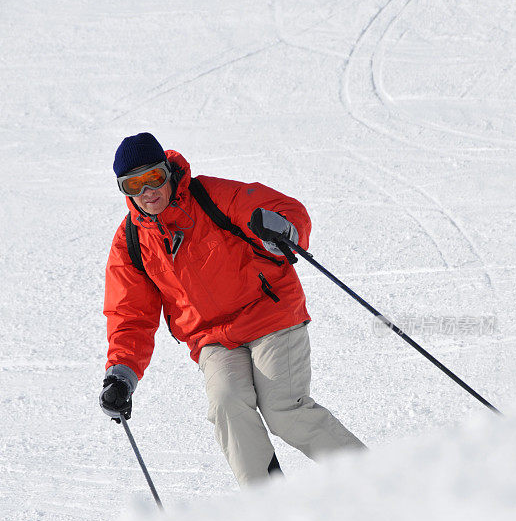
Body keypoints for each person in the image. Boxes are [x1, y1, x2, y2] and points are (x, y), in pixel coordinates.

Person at [100, 132, 365, 486]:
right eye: (135, 184)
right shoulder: (131, 242)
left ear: (168, 172)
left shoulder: (211, 197)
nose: (148, 192)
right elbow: (129, 315)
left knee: (284, 409)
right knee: (227, 404)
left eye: (154, 178)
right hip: (212, 338)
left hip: (269, 313)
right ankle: (271, 508)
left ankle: (376, 480)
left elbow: (286, 212)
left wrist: (281, 229)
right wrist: (121, 373)